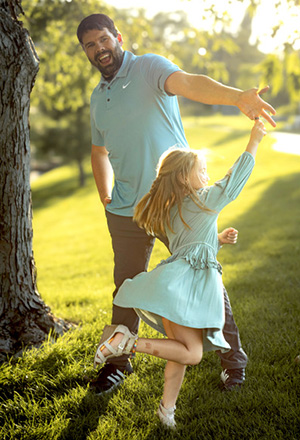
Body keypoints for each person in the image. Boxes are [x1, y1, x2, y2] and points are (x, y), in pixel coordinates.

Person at [76, 13, 276, 394]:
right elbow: (98, 151)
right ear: (85, 51)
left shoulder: (149, 67)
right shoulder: (97, 98)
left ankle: (234, 362)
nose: (99, 48)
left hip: (175, 203)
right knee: (126, 285)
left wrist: (238, 98)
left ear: (117, 37)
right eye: (90, 44)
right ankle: (118, 364)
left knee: (205, 277)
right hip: (126, 211)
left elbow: (189, 83)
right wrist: (106, 195)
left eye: (104, 39)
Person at [93, 119, 267, 429]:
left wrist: (216, 241)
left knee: (180, 353)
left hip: (172, 286)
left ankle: (166, 412)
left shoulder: (169, 211)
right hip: (189, 288)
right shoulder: (204, 201)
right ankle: (126, 341)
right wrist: (254, 140)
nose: (207, 175)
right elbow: (234, 180)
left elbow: (191, 247)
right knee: (193, 354)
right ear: (184, 178)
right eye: (201, 171)